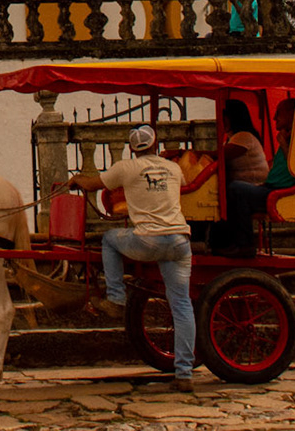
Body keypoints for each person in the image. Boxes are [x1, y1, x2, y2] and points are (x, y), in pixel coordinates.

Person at [70, 124, 196, 391]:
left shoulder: (126, 168)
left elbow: (93, 183)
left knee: (109, 239)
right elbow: (184, 184)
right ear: (156, 144)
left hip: (148, 240)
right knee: (182, 306)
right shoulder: (173, 168)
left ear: (131, 148)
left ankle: (116, 297)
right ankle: (184, 374)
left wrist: (77, 180)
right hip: (179, 241)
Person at [217, 99, 295, 256]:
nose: (274, 118)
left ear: (291, 113)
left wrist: (283, 144)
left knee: (235, 189)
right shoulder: (287, 137)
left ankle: (245, 245)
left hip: (280, 191)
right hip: (269, 185)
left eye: (279, 113)